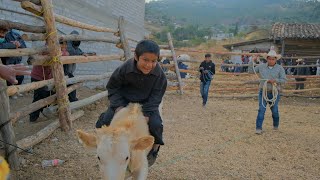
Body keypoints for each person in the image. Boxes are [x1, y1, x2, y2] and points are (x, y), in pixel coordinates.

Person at [95, 40, 167, 166]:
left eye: (153, 61)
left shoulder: (159, 75)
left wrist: (147, 114)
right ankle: (104, 150)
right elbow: (113, 87)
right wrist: (118, 107)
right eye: (145, 60)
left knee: (156, 125)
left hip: (147, 104)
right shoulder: (124, 69)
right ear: (136, 56)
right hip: (125, 102)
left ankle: (155, 149)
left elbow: (156, 96)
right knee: (105, 121)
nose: (149, 65)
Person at [249, 47, 287, 134]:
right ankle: (258, 128)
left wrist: (275, 80)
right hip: (263, 91)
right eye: (269, 59)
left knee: (274, 110)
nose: (271, 61)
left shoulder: (280, 68)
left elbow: (284, 80)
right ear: (267, 59)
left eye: (273, 59)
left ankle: (275, 125)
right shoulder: (261, 66)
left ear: (276, 59)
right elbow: (251, 71)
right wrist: (252, 61)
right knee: (261, 109)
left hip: (274, 92)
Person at [64, 30, 85, 102]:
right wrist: (80, 53)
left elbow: (77, 50)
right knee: (71, 81)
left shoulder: (74, 43)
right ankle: (72, 100)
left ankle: (70, 99)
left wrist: (82, 53)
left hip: (68, 70)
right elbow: (71, 51)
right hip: (63, 69)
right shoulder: (68, 41)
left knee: (69, 82)